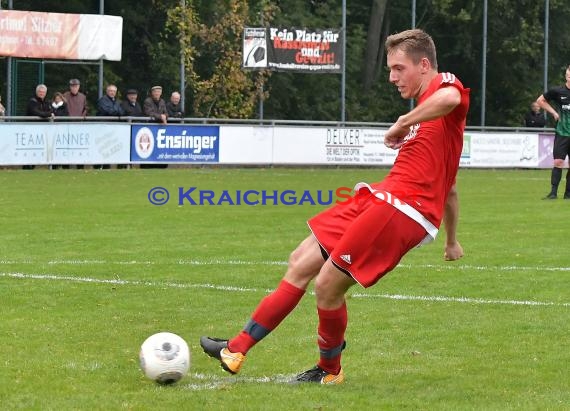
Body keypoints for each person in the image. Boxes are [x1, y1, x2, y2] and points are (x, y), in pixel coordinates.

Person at [199, 28, 470, 384]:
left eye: (398, 68)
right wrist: (451, 240)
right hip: (379, 198)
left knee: (327, 286)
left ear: (423, 65)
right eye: (390, 68)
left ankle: (329, 371)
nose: (392, 77)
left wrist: (403, 122)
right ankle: (235, 348)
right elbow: (448, 187)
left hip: (402, 208)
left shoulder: (443, 89)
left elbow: (451, 98)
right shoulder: (427, 117)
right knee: (301, 259)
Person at [536, 65, 570, 200]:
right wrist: (554, 112)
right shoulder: (558, 91)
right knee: (558, 162)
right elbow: (540, 101)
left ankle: (568, 194)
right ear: (566, 76)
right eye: (568, 75)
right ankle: (553, 193)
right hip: (562, 133)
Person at [24, 84, 53, 169]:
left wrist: (47, 113)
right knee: (30, 149)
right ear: (37, 92)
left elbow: (51, 110)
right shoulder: (32, 101)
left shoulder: (47, 102)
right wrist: (48, 114)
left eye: (43, 92)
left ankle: (33, 165)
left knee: (38, 149)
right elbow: (35, 112)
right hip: (31, 129)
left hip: (42, 130)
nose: (42, 93)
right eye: (40, 92)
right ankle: (27, 166)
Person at [63, 79, 88, 169]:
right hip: (67, 125)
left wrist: (82, 117)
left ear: (79, 87)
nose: (74, 88)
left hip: (79, 125)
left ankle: (80, 165)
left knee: (79, 146)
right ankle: (65, 166)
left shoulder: (83, 97)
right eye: (72, 86)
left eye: (76, 86)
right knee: (67, 146)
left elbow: (86, 108)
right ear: (70, 87)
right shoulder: (65, 96)